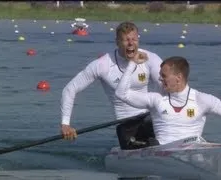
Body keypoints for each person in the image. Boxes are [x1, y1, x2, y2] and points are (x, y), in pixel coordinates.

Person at [115, 55, 221, 162]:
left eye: (164, 76)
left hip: (193, 154)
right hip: (161, 156)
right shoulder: (156, 99)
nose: (160, 79)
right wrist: (132, 64)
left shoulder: (202, 99)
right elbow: (121, 94)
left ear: (178, 78)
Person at [60, 21, 163, 150]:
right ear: (117, 42)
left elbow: (166, 86)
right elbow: (70, 89)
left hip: (149, 119)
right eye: (126, 40)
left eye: (134, 39)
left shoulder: (150, 59)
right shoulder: (103, 65)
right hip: (126, 125)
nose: (131, 43)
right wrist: (65, 124)